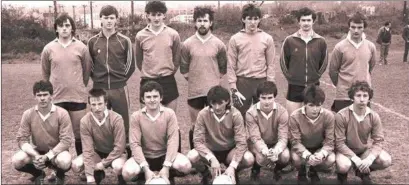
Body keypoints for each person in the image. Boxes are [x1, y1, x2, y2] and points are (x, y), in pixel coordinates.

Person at [41, 13, 91, 160]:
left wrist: (79, 86)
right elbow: (45, 73)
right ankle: (58, 170)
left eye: (67, 25)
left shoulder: (81, 47)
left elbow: (86, 72)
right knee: (58, 134)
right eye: (61, 26)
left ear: (72, 28)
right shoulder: (48, 48)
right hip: (56, 98)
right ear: (56, 28)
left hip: (77, 97)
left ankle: (82, 166)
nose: (64, 28)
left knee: (79, 133)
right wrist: (50, 92)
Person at [122, 81, 192, 184]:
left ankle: (167, 174)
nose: (152, 100)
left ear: (161, 98)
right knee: (127, 172)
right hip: (145, 156)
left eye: (155, 96)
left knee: (185, 166)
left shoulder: (169, 114)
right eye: (148, 97)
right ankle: (144, 176)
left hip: (164, 155)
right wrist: (145, 168)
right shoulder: (136, 117)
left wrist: (166, 167)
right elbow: (135, 144)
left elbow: (173, 141)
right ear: (143, 99)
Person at [186, 85, 254, 185]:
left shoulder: (236, 114)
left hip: (230, 150)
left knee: (249, 158)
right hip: (211, 150)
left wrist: (233, 166)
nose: (217, 107)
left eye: (220, 103)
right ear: (209, 102)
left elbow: (241, 143)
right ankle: (206, 174)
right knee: (192, 156)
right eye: (214, 103)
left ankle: (232, 173)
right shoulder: (203, 114)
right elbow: (197, 141)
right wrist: (211, 158)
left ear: (227, 101)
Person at [88, 5, 136, 145]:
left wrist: (119, 80)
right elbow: (89, 65)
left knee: (123, 120)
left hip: (119, 87)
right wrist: (98, 80)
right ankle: (102, 150)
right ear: (100, 20)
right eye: (106, 18)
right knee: (100, 120)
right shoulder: (92, 41)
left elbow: (130, 65)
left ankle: (125, 150)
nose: (109, 21)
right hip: (100, 88)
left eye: (112, 18)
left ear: (116, 20)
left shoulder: (124, 40)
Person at [181, 6, 227, 149]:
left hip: (213, 93)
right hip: (194, 92)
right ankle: (196, 158)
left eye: (205, 20)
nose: (202, 23)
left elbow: (222, 69)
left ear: (211, 23)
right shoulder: (187, 44)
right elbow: (184, 69)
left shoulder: (219, 44)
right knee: (196, 126)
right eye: (199, 21)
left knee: (214, 125)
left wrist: (211, 80)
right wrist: (197, 80)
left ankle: (215, 154)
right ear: (195, 23)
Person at [12, 80, 73, 184]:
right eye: (39, 95)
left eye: (45, 94)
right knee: (17, 160)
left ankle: (59, 174)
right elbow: (22, 139)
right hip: (38, 151)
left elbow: (66, 141)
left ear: (51, 95)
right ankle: (38, 174)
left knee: (65, 161)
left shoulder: (62, 113)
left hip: (57, 152)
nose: (42, 98)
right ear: (34, 96)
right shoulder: (28, 114)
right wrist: (36, 155)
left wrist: (48, 156)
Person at [335, 81, 392, 185]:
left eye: (365, 96)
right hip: (345, 152)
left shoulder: (374, 116)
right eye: (358, 95)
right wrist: (355, 159)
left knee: (386, 160)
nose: (362, 99)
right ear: (352, 97)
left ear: (369, 98)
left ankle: (361, 171)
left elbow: (378, 141)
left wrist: (369, 159)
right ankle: (342, 174)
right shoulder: (341, 115)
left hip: (363, 152)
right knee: (343, 166)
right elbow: (339, 143)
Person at [226, 3, 276, 118]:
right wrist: (233, 87)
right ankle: (241, 136)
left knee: (262, 116)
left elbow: (271, 64)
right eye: (249, 19)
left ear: (259, 20)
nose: (252, 22)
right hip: (242, 82)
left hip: (261, 81)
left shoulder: (267, 38)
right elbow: (231, 65)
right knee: (239, 115)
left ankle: (258, 137)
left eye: (255, 19)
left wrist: (270, 84)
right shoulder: (235, 39)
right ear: (243, 19)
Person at [71, 89, 127, 185]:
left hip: (116, 153)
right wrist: (89, 177)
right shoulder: (85, 121)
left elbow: (119, 147)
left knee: (118, 166)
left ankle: (121, 178)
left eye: (100, 104)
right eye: (93, 104)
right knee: (76, 165)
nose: (97, 108)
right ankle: (98, 174)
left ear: (106, 103)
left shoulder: (117, 118)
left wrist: (103, 164)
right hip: (97, 152)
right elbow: (87, 149)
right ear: (90, 105)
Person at [279, 7, 328, 116]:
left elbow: (323, 63)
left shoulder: (321, 41)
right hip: (294, 86)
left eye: (309, 20)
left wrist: (315, 76)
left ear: (313, 21)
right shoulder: (289, 40)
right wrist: (291, 77)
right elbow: (283, 62)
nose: (306, 23)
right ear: (298, 22)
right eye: (303, 20)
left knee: (312, 119)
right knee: (293, 118)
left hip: (313, 86)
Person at [135, 1, 181, 112]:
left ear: (164, 15)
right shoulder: (140, 36)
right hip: (148, 81)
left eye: (159, 14)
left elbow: (177, 58)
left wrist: (168, 72)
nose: (156, 18)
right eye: (153, 14)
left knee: (170, 118)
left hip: (168, 80)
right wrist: (150, 72)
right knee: (148, 120)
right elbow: (139, 61)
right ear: (148, 15)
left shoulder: (173, 34)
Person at [329, 12, 376, 113]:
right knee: (342, 126)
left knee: (362, 126)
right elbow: (333, 70)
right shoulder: (339, 47)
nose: (356, 30)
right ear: (349, 27)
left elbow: (370, 67)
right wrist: (342, 86)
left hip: (363, 95)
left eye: (359, 27)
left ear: (364, 28)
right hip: (344, 95)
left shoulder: (370, 46)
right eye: (353, 27)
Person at [289, 85, 335, 185]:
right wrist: (307, 155)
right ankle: (301, 172)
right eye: (311, 105)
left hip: (318, 147)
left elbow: (330, 141)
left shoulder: (329, 116)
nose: (315, 109)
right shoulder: (294, 116)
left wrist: (321, 154)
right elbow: (295, 142)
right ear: (304, 104)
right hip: (302, 147)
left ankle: (313, 171)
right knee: (296, 159)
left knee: (331, 159)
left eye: (318, 105)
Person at [246, 81, 290, 184]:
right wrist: (265, 150)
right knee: (262, 157)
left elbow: (283, 137)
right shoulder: (250, 113)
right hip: (257, 143)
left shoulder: (282, 112)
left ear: (274, 97)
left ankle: (277, 170)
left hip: (275, 142)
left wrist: (276, 151)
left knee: (285, 156)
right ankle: (255, 169)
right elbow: (255, 137)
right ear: (258, 98)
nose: (267, 101)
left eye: (270, 98)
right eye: (263, 98)